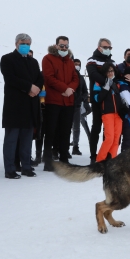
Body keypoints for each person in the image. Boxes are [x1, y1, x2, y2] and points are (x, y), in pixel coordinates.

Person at [0, 33, 44, 179]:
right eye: (22, 42)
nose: (25, 45)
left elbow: (40, 78)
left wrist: (36, 88)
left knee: (27, 139)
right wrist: (29, 87)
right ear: (16, 43)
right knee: (12, 139)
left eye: (28, 43)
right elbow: (10, 78)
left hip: (30, 105)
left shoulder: (33, 62)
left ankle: (26, 167)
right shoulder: (7, 59)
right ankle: (10, 169)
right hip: (15, 106)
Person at [42, 37, 79, 171]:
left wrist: (70, 89)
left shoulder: (69, 61)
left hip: (68, 102)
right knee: (50, 132)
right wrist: (65, 88)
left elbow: (75, 78)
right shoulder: (48, 59)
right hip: (54, 101)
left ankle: (64, 159)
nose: (64, 48)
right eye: (61, 46)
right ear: (56, 45)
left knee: (65, 131)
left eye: (66, 46)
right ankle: (48, 161)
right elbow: (49, 78)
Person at [86, 38, 114, 163]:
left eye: (109, 47)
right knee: (96, 127)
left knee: (108, 130)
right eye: (105, 47)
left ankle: (105, 155)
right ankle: (93, 155)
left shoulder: (112, 61)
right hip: (97, 98)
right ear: (99, 47)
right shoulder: (92, 60)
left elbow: (116, 75)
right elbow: (93, 75)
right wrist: (107, 81)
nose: (107, 49)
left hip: (109, 100)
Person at [93, 62, 125, 162]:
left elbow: (121, 97)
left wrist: (124, 103)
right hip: (107, 114)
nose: (110, 73)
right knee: (109, 138)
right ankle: (99, 161)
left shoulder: (118, 84)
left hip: (118, 114)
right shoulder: (99, 83)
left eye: (112, 71)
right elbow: (97, 98)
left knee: (116, 139)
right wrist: (106, 87)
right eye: (108, 71)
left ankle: (112, 161)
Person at [70, 58, 89, 155]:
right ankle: (62, 148)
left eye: (78, 64)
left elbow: (85, 91)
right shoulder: (68, 76)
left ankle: (75, 147)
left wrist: (81, 99)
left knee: (76, 127)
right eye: (75, 63)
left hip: (77, 106)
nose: (77, 65)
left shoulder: (81, 78)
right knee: (66, 127)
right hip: (67, 105)